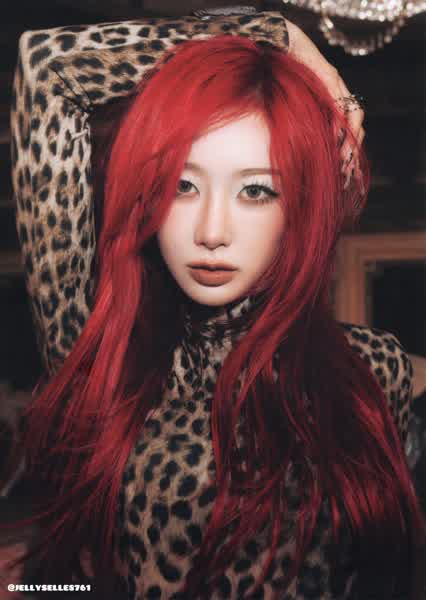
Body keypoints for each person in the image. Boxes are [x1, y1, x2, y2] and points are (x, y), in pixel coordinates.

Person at [6, 8, 425, 600]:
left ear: (299, 208)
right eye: (182, 185)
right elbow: (47, 68)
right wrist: (275, 34)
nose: (210, 231)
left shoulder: (370, 369)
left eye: (255, 190)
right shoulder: (109, 362)